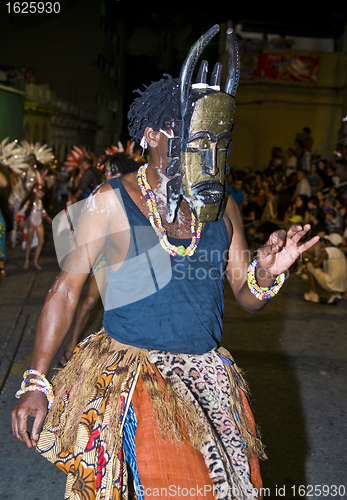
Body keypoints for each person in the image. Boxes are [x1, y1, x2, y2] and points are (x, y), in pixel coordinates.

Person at [11, 26, 319, 500]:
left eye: (205, 132)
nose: (197, 143)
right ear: (150, 135)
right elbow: (66, 290)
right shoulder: (109, 200)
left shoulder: (223, 207)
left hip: (208, 381)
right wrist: (36, 382)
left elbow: (246, 296)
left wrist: (265, 272)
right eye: (182, 129)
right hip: (135, 378)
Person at [59, 152, 141, 366]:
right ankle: (70, 348)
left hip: (130, 262)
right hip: (105, 256)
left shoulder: (138, 193)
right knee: (89, 300)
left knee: (117, 307)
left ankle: (116, 355)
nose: (107, 174)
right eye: (106, 171)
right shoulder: (103, 193)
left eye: (112, 171)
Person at [303, 233, 347, 304]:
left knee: (309, 266)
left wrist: (309, 258)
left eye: (324, 241)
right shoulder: (340, 253)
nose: (322, 243)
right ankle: (336, 294)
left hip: (330, 284)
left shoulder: (327, 251)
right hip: (342, 286)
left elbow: (315, 265)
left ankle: (314, 294)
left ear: (329, 243)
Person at [18, 183, 52, 269]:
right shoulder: (29, 202)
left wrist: (49, 219)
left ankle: (35, 261)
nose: (42, 194)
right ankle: (26, 261)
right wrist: (21, 220)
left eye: (42, 192)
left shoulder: (40, 202)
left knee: (41, 241)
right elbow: (21, 212)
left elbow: (43, 212)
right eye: (40, 192)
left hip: (39, 222)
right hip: (31, 222)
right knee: (29, 242)